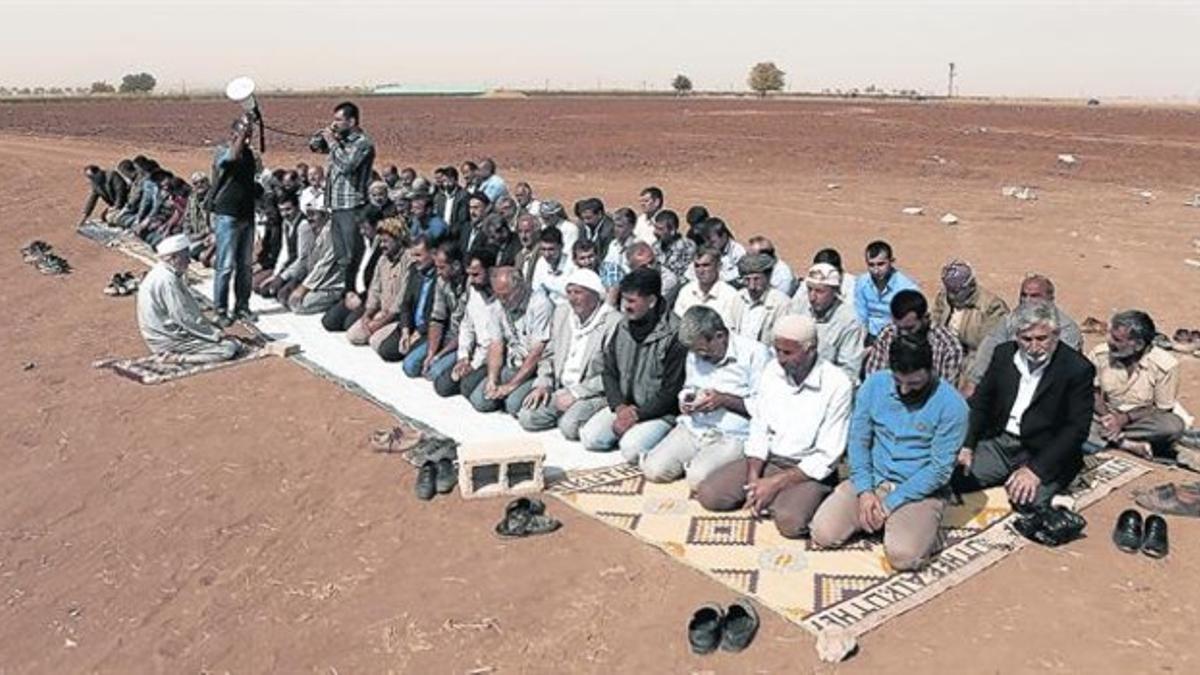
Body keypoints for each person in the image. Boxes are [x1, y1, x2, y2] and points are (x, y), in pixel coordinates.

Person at [810, 336, 969, 571]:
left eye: (914, 384)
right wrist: (865, 491)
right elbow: (859, 441)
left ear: (930, 370)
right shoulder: (874, 385)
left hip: (918, 489)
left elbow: (939, 470)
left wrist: (890, 504)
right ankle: (882, 522)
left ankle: (919, 525)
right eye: (898, 381)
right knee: (823, 533)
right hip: (874, 478)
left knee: (904, 557)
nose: (905, 390)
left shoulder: (953, 406)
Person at [696, 315, 854, 538]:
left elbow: (828, 454)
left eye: (788, 353)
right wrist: (754, 477)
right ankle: (769, 496)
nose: (780, 359)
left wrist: (774, 484)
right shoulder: (772, 371)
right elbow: (759, 426)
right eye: (777, 351)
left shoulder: (837, 384)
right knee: (709, 494)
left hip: (806, 471)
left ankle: (793, 498)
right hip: (771, 460)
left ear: (810, 350)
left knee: (790, 521)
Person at [953, 302, 1095, 510]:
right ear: (1016, 336)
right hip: (1002, 443)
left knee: (1027, 501)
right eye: (1026, 339)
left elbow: (1076, 429)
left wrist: (1035, 470)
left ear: (1055, 334)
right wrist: (968, 445)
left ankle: (1051, 491)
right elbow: (981, 403)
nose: (1034, 347)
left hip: (1044, 448)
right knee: (954, 476)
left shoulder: (1076, 369)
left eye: (1041, 338)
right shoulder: (1003, 355)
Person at [642, 306, 770, 486]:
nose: (700, 357)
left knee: (697, 479)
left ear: (720, 336)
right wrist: (686, 400)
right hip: (694, 427)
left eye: (703, 351)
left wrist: (725, 400)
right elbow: (689, 386)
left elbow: (765, 407)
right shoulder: (695, 353)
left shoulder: (755, 354)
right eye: (696, 352)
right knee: (654, 470)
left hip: (731, 434)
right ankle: (694, 462)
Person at [580, 268, 687, 461]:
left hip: (659, 413)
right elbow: (609, 371)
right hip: (626, 406)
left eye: (631, 301)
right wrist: (620, 408)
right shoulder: (623, 326)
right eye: (623, 300)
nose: (625, 307)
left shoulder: (675, 334)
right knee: (590, 438)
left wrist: (638, 416)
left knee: (631, 448)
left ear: (652, 301)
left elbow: (671, 391)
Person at [518, 269, 621, 438]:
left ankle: (581, 416)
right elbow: (548, 355)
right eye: (569, 292)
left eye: (578, 292)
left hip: (592, 393)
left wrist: (576, 394)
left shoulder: (612, 322)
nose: (572, 298)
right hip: (561, 387)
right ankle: (567, 413)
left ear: (595, 295)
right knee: (527, 417)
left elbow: (612, 373)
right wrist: (543, 383)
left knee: (569, 427)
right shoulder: (562, 313)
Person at [1088, 310, 1188, 458]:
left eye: (1117, 339)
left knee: (1173, 426)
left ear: (1138, 345)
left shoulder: (1165, 365)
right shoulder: (1100, 354)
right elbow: (1092, 391)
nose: (1109, 341)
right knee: (1066, 411)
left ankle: (1105, 438)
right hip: (1104, 416)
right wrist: (1107, 417)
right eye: (1110, 335)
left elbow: (1161, 408)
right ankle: (1124, 443)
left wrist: (1123, 419)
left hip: (1139, 420)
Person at [964, 274, 1083, 396]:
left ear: (1050, 299)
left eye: (1035, 296)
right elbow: (985, 357)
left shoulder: (1066, 330)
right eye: (1023, 295)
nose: (1027, 301)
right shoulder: (1009, 322)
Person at [137, 234, 241, 364]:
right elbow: (183, 317)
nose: (189, 261)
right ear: (173, 258)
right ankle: (177, 358)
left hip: (163, 333)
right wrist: (214, 334)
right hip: (167, 339)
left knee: (223, 337)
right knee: (228, 349)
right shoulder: (167, 280)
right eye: (185, 257)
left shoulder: (164, 272)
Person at [469, 267, 553, 415]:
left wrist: (511, 386)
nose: (502, 300)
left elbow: (537, 352)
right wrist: (492, 379)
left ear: (520, 288)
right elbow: (496, 344)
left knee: (513, 405)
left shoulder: (540, 304)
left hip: (534, 368)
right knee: (480, 400)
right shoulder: (497, 305)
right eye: (498, 295)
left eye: (506, 296)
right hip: (513, 362)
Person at [312, 101, 376, 295]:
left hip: (352, 205)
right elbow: (314, 146)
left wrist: (333, 143)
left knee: (351, 253)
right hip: (336, 206)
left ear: (352, 121)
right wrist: (326, 134)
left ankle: (354, 292)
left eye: (339, 120)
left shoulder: (362, 143)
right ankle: (344, 291)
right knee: (341, 256)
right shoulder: (340, 142)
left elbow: (348, 165)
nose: (336, 123)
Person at [208, 117, 259, 327]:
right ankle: (220, 309)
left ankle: (242, 306)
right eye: (243, 134)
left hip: (246, 214)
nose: (247, 138)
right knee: (225, 266)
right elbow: (231, 159)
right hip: (227, 214)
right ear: (233, 134)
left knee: (245, 265)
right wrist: (241, 135)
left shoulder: (249, 154)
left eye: (249, 134)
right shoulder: (223, 151)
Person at [434, 248, 504, 398]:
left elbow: (494, 342)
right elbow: (466, 326)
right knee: (442, 385)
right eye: (469, 275)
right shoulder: (474, 291)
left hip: (491, 358)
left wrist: (473, 365)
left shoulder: (501, 299)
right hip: (473, 352)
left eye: (476, 274)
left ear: (490, 271)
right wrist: (463, 357)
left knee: (467, 387)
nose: (471, 280)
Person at [930, 259, 1010, 387]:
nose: (951, 296)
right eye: (948, 290)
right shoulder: (943, 299)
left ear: (971, 285)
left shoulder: (992, 307)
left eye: (956, 291)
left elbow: (988, 348)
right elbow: (935, 329)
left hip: (972, 360)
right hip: (945, 354)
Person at [864, 290, 964, 385]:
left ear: (926, 318)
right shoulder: (888, 335)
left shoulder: (948, 346)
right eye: (899, 328)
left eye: (910, 328)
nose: (903, 333)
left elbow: (946, 390)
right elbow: (873, 378)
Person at [789, 263, 864, 384]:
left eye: (819, 291)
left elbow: (849, 371)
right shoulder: (799, 308)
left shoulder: (849, 321)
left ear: (835, 291)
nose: (812, 297)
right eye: (809, 289)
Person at [346, 220, 411, 350]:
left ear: (398, 240)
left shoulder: (408, 260)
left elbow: (402, 299)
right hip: (382, 312)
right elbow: (374, 290)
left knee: (375, 342)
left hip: (397, 317)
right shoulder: (382, 260)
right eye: (380, 241)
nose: (382, 245)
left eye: (386, 241)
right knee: (354, 335)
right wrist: (367, 315)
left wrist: (380, 323)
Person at [416, 242, 470, 382]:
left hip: (464, 340)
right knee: (411, 366)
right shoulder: (441, 282)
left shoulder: (470, 285)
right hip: (448, 334)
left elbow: (469, 330)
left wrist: (440, 355)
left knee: (433, 373)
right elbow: (437, 318)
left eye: (442, 267)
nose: (438, 272)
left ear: (456, 265)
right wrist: (431, 353)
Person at [321, 217, 384, 331]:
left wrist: (361, 298)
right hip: (354, 293)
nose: (362, 232)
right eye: (360, 228)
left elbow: (377, 282)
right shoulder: (361, 241)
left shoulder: (383, 247)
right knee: (329, 322)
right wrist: (349, 291)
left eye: (365, 228)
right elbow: (351, 267)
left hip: (367, 298)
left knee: (348, 325)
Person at [854, 240, 919, 343]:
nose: (876, 270)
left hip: (896, 337)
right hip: (869, 335)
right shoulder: (862, 282)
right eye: (871, 265)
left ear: (891, 261)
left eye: (881, 264)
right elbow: (861, 317)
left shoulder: (906, 287)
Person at [287, 206, 345, 315]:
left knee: (300, 306)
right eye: (308, 214)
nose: (310, 218)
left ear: (325, 215)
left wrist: (303, 288)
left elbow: (324, 265)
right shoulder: (316, 230)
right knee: (287, 297)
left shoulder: (333, 232)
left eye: (313, 214)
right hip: (318, 283)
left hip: (332, 286)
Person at [266, 204, 326, 304]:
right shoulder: (286, 223)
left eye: (288, 209)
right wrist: (277, 274)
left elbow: (303, 259)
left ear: (297, 207)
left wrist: (283, 277)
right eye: (282, 210)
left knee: (284, 296)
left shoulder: (303, 225)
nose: (285, 214)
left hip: (302, 269)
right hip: (291, 266)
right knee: (264, 289)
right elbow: (285, 251)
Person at [728, 253, 791, 346]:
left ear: (768, 277)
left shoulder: (781, 303)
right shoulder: (738, 298)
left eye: (756, 279)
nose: (752, 286)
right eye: (747, 280)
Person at [674, 247, 739, 326]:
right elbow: (677, 323)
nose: (701, 271)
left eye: (706, 265)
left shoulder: (730, 295)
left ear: (718, 266)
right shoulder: (686, 292)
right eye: (697, 266)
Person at [625, 241, 681, 309]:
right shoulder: (632, 279)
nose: (650, 267)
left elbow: (652, 307)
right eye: (643, 267)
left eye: (651, 262)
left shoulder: (669, 279)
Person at [530, 226, 575, 305]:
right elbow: (536, 291)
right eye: (543, 249)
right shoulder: (541, 263)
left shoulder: (572, 264)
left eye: (551, 249)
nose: (547, 254)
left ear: (561, 246)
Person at [651, 209, 697, 281]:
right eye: (655, 228)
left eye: (660, 229)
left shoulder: (687, 246)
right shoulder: (656, 246)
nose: (655, 232)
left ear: (672, 230)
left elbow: (680, 275)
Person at [183, 171, 215, 266]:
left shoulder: (213, 199)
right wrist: (187, 234)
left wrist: (202, 234)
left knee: (193, 253)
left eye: (202, 182)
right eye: (196, 183)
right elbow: (187, 218)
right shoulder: (192, 198)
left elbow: (215, 223)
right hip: (195, 235)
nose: (199, 185)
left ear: (208, 182)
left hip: (208, 236)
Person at [599, 207, 637, 288]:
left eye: (620, 226)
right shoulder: (613, 244)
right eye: (615, 226)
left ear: (631, 227)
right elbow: (607, 267)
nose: (615, 229)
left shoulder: (638, 246)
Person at [702, 219, 746, 284]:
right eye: (707, 241)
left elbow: (740, 275)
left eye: (713, 242)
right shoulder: (706, 249)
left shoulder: (738, 252)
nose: (709, 245)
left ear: (724, 236)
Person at [434, 166, 472, 238]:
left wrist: (449, 232)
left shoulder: (463, 195)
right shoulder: (439, 197)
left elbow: (462, 219)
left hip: (456, 235)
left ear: (456, 180)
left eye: (450, 181)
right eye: (444, 181)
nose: (447, 184)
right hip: (440, 233)